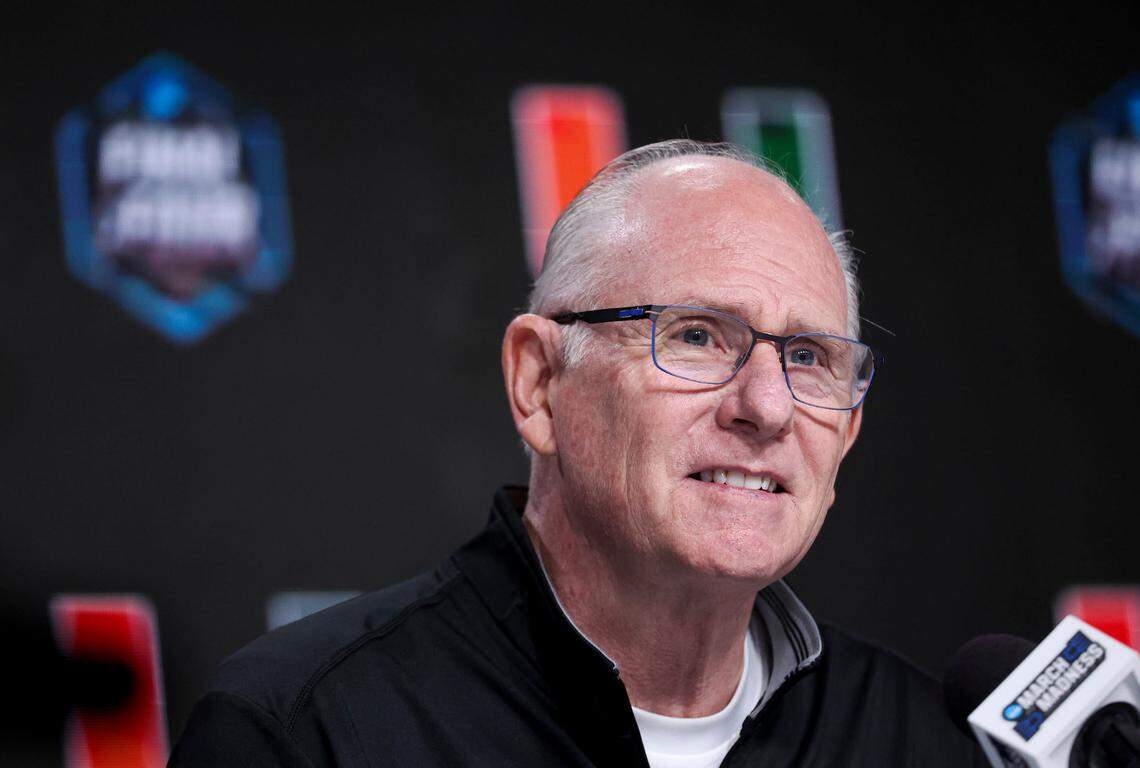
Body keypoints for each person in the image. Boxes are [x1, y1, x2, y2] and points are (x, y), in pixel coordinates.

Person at [169, 140, 985, 766]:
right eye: (697, 336)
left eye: (808, 357)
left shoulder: (922, 741)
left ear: (847, 431)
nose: (767, 407)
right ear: (538, 383)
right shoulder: (306, 732)